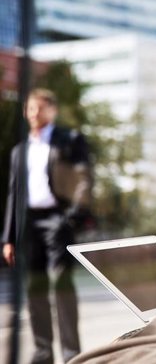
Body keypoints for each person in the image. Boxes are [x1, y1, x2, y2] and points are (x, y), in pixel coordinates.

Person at [2, 88, 92, 364]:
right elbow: (13, 194)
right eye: (30, 109)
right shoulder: (20, 151)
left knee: (61, 284)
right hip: (30, 223)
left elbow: (84, 179)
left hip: (58, 219)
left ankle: (71, 354)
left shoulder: (69, 140)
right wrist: (8, 237)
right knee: (35, 287)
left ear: (52, 111)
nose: (34, 114)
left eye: (40, 108)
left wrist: (72, 218)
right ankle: (42, 354)